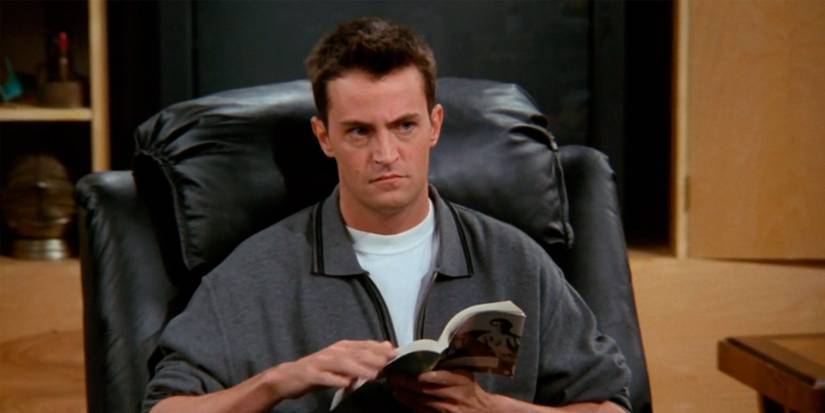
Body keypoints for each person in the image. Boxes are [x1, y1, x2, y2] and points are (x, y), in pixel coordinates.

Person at [143, 17, 631, 413]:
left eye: (404, 126)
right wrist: (280, 381)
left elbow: (609, 406)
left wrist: (488, 408)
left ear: (434, 126)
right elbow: (165, 408)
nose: (386, 154)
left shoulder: (514, 260)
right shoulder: (257, 273)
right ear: (324, 137)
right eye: (359, 131)